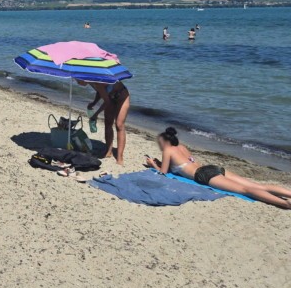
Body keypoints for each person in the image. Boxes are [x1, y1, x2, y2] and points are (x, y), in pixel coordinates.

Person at [146, 128, 291, 209]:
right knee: (255, 185)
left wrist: (153, 164)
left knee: (245, 190)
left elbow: (163, 173)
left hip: (203, 174)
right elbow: (184, 163)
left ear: (165, 142)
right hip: (212, 168)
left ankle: (284, 203)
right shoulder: (182, 147)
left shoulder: (167, 151)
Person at [81, 79, 131, 165]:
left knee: (119, 125)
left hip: (122, 96)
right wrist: (93, 103)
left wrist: (95, 115)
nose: (77, 82)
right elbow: (100, 92)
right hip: (110, 98)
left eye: (78, 80)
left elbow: (106, 102)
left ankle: (120, 157)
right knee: (108, 123)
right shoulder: (91, 81)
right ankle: (109, 151)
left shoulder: (96, 81)